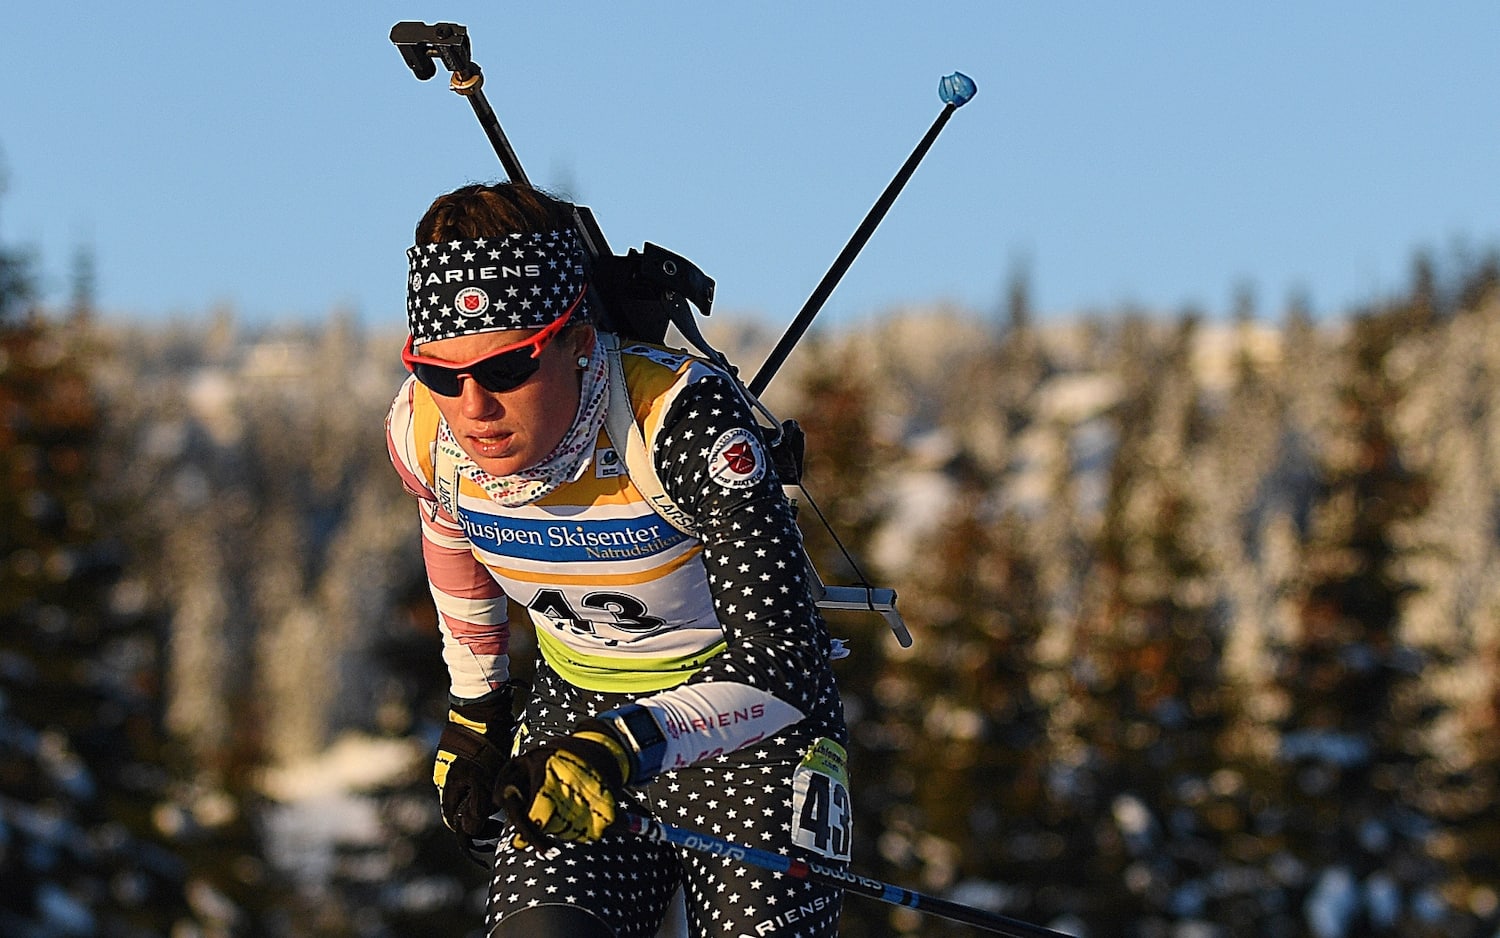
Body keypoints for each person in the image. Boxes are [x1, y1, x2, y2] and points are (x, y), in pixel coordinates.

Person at [385, 182, 852, 938]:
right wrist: (477, 712)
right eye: (440, 374)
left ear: (574, 339)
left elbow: (785, 667)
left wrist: (626, 746)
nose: (472, 408)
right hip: (578, 717)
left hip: (750, 737)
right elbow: (448, 530)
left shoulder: (680, 420)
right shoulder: (422, 431)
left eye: (507, 369)